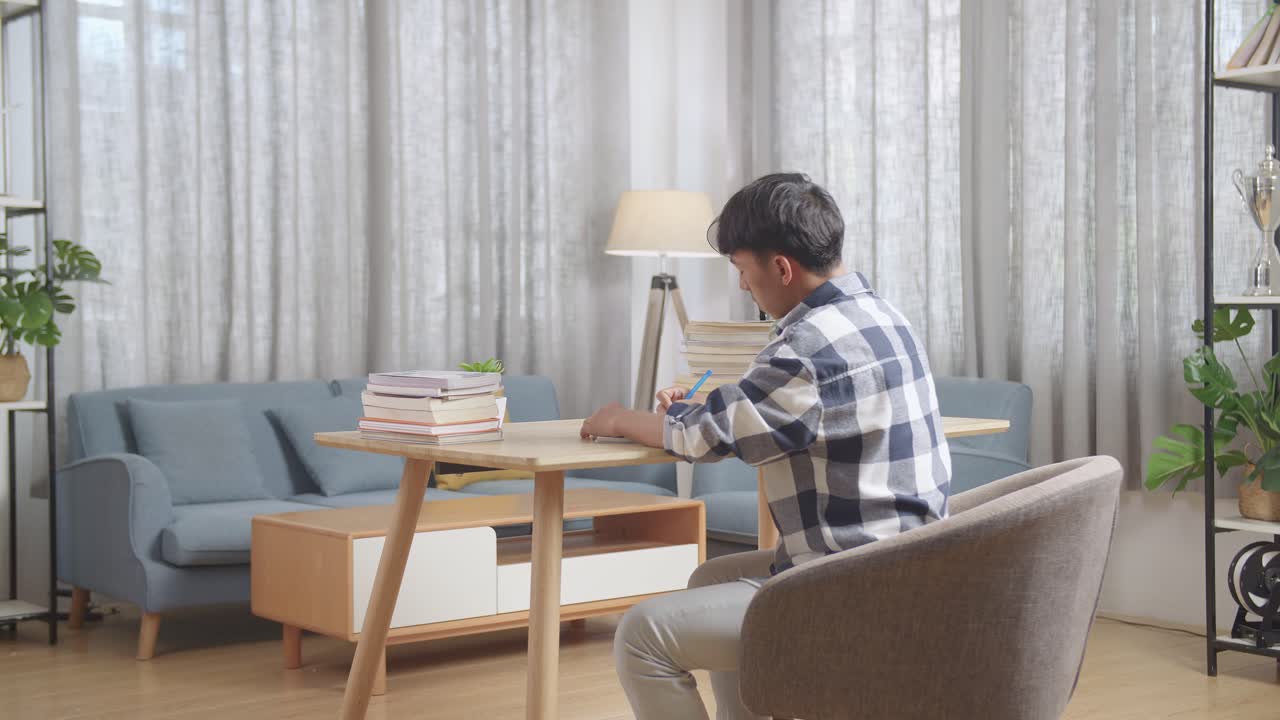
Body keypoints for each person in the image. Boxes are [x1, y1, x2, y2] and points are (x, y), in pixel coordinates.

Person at [579, 172, 952, 720]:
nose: (741, 287)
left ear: (780, 267)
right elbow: (767, 411)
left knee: (641, 634)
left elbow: (701, 438)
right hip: (910, 567)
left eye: (741, 269)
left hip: (850, 588)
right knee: (709, 579)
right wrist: (694, 407)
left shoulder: (807, 344)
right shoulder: (883, 316)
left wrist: (620, 418)